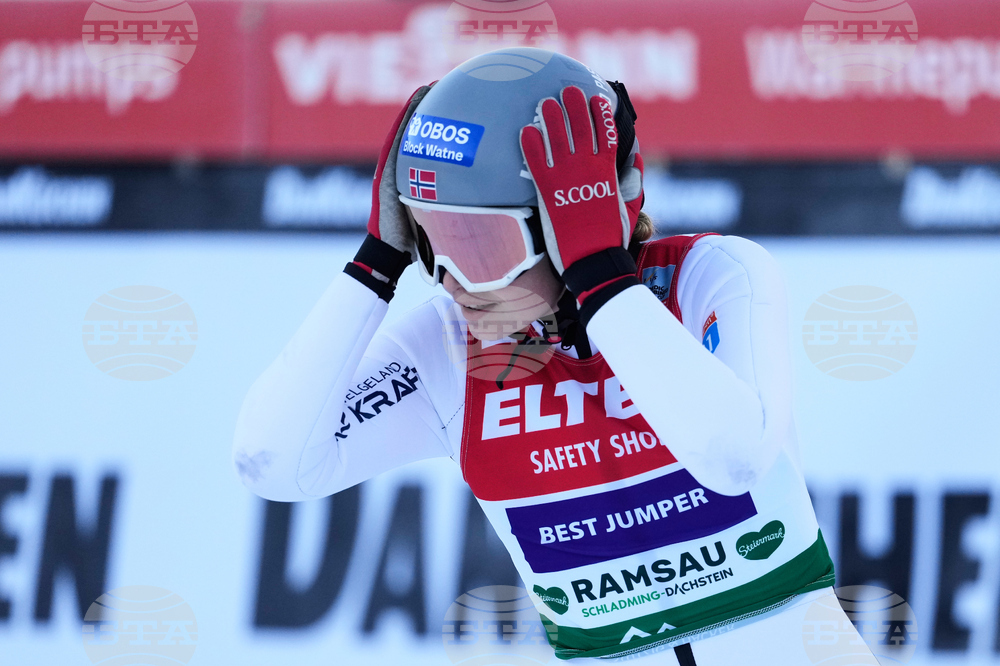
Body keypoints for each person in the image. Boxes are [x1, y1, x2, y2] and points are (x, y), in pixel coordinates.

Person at [233, 48, 877, 665]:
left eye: (480, 245)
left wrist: (601, 275)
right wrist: (375, 264)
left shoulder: (710, 277)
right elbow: (273, 465)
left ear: (571, 222)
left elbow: (733, 460)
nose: (453, 279)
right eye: (430, 239)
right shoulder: (449, 348)